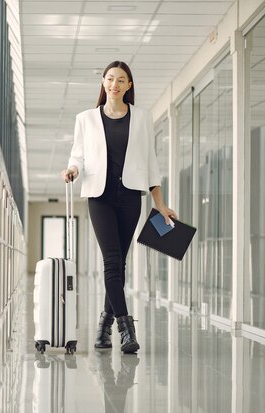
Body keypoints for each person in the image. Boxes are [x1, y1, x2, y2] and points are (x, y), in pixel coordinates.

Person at [61, 61, 176, 353]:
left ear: (129, 86)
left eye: (121, 80)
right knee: (112, 261)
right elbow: (79, 156)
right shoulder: (85, 119)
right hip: (99, 197)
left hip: (129, 198)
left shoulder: (141, 118)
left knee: (120, 264)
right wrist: (73, 170)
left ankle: (103, 326)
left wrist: (160, 205)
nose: (115, 84)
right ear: (103, 82)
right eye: (110, 79)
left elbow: (150, 164)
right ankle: (126, 328)